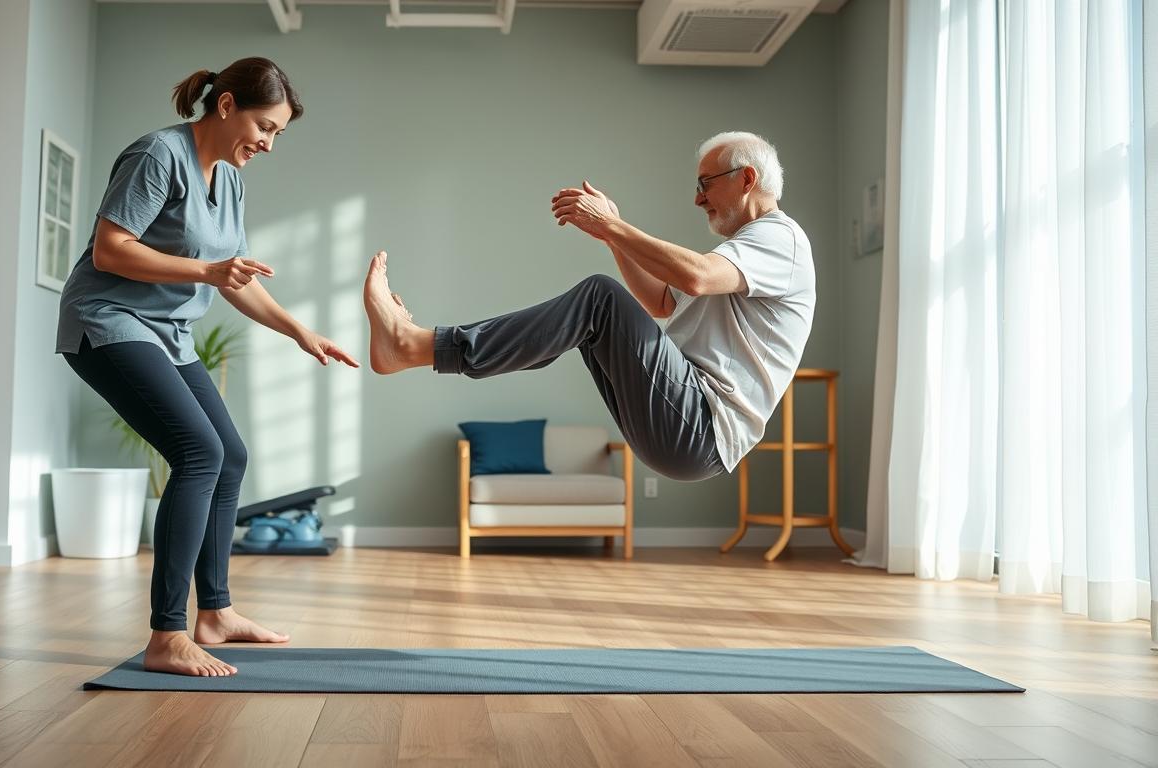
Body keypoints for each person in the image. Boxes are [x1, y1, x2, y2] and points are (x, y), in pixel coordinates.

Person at [57, 57, 358, 678]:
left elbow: (233, 276)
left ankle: (214, 613)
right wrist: (208, 272)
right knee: (198, 453)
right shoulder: (157, 155)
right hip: (107, 319)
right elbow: (112, 251)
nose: (269, 144)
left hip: (168, 331)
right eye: (266, 128)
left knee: (231, 454)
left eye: (277, 134)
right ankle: (166, 635)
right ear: (226, 107)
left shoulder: (230, 177)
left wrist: (302, 332)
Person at [363, 131, 813, 483]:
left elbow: (694, 274)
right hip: (685, 420)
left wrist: (614, 224)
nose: (697, 199)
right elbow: (660, 300)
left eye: (704, 184)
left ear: (747, 179)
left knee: (599, 297)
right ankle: (419, 347)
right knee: (593, 314)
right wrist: (609, 237)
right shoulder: (748, 252)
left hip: (701, 424)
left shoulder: (780, 239)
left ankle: (417, 346)